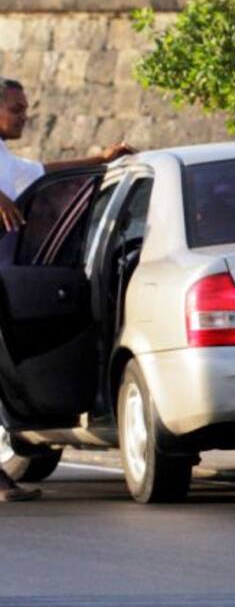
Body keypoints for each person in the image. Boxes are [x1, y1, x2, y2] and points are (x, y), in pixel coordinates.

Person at [0, 77, 135, 502]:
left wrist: (100, 160)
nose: (24, 116)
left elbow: (41, 174)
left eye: (25, 108)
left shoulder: (5, 159)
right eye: (16, 109)